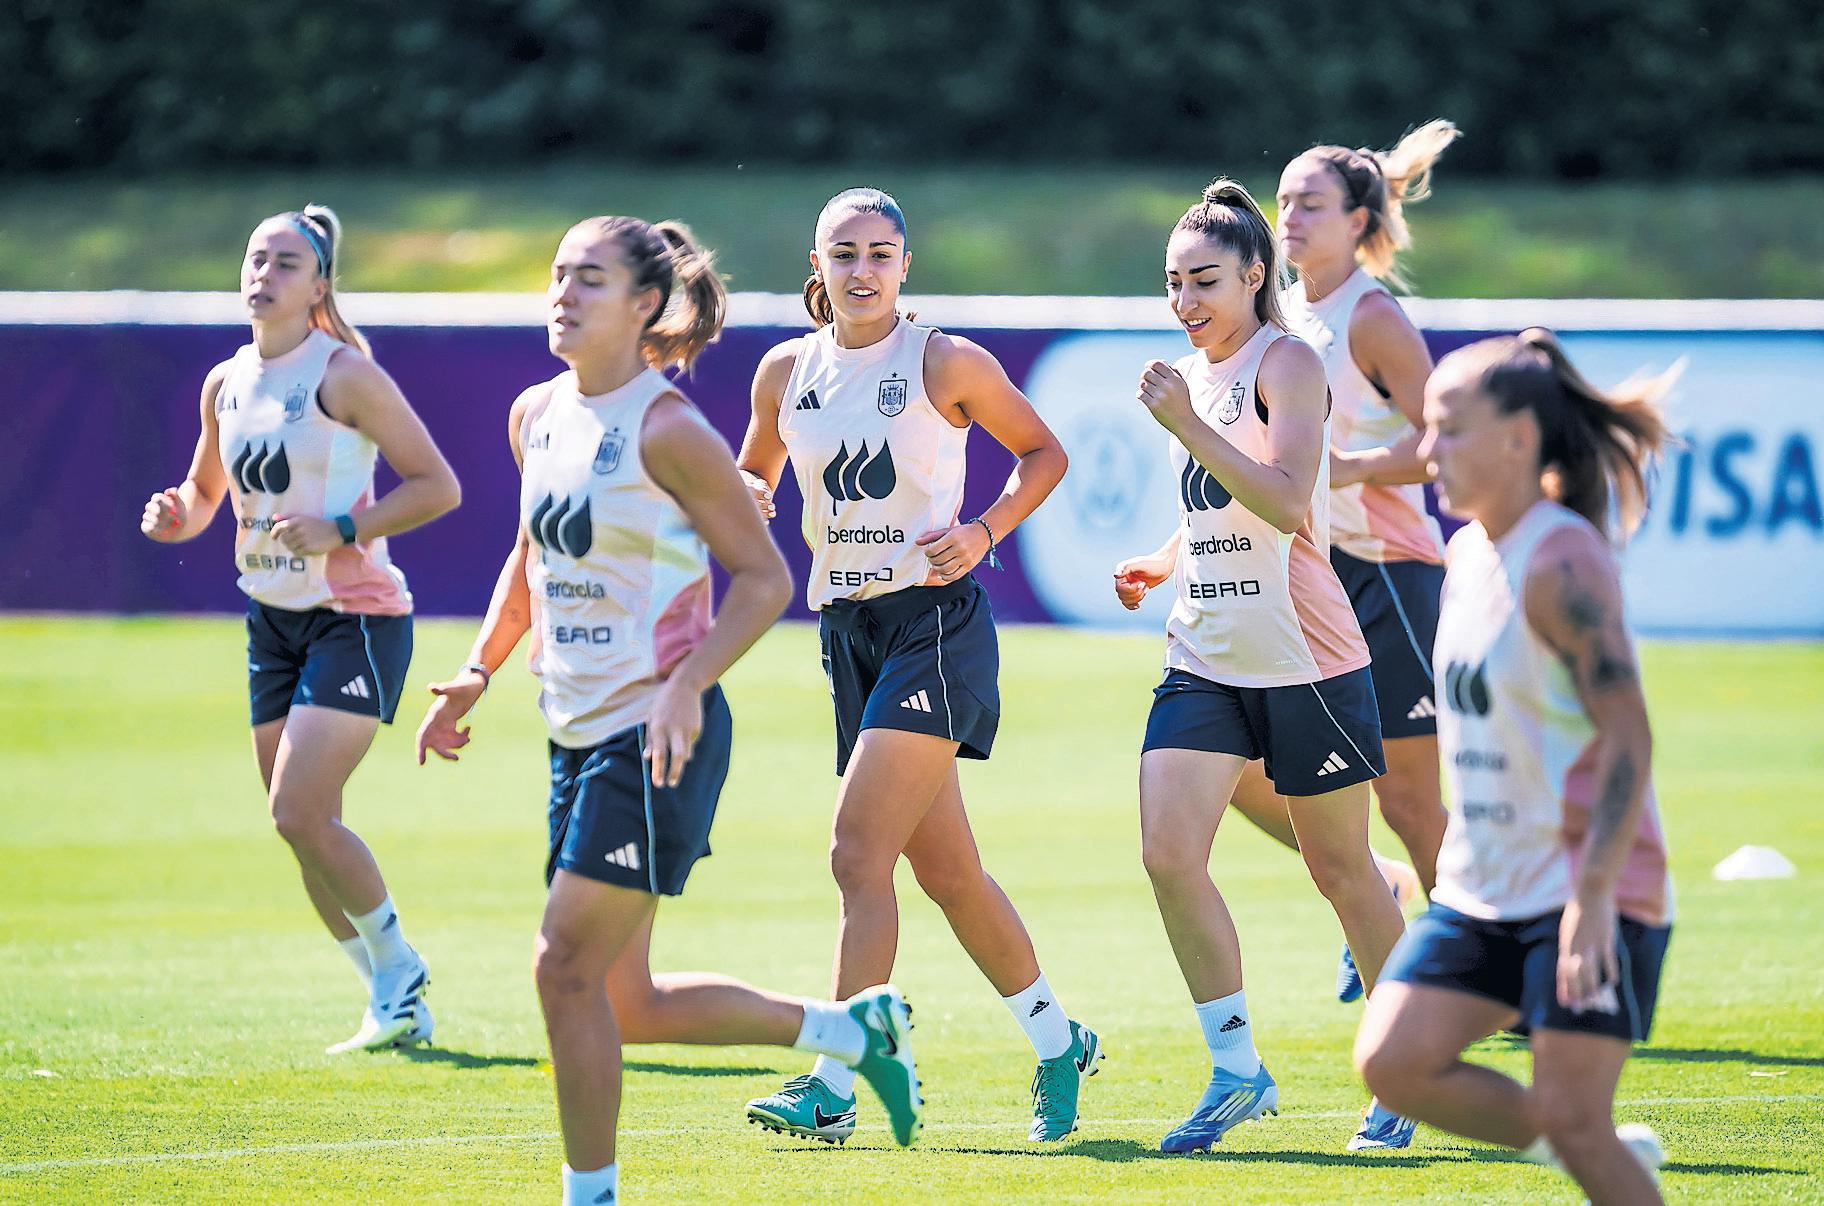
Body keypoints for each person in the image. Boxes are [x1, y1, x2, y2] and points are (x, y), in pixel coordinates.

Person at [415, 215, 922, 1206]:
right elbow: (530, 559)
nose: (563, 293)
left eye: (589, 279)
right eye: (558, 274)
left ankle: (590, 1195)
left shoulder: (668, 429)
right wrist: (478, 670)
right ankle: (849, 1032)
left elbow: (764, 580)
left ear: (645, 303)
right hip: (573, 735)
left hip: (654, 737)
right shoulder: (535, 415)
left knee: (561, 966)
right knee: (623, 1001)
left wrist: (688, 682)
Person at [734, 187, 1097, 1144]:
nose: (862, 270)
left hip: (935, 624)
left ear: (906, 265)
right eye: (844, 253)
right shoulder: (785, 370)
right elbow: (754, 473)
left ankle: (837, 1084)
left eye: (881, 253)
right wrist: (729, 497)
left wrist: (985, 531)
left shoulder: (945, 360)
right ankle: (1061, 1043)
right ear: (817, 266)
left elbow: (1044, 453)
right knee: (950, 875)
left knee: (857, 853)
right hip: (846, 632)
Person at [1115, 179, 1407, 1154]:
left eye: (1203, 281)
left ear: (1255, 275)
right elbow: (1218, 507)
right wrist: (1164, 559)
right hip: (1205, 650)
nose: (1186, 301)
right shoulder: (1194, 377)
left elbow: (1287, 500)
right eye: (1172, 284)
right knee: (1167, 853)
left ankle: (1406, 1068)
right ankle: (1237, 1070)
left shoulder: (1289, 362)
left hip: (1305, 658)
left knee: (1343, 870)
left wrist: (1186, 427)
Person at [1355, 328, 1675, 1203]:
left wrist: (1596, 900)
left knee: (1577, 1121)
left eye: (1448, 432)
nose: (1427, 454)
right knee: (1391, 1064)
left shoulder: (1564, 558)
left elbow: (1629, 737)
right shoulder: (1464, 554)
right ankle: (1583, 1142)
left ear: (1519, 439)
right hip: (1480, 889)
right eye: (1424, 430)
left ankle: (1586, 1142)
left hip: (1583, 891)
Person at [141, 205, 459, 1054]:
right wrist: (179, 512)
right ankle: (391, 1000)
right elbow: (207, 495)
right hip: (271, 624)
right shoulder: (226, 381)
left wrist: (343, 531)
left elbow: (437, 485)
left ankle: (400, 966)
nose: (264, 274)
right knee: (301, 830)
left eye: (286, 263)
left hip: (353, 619)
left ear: (320, 286)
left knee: (297, 811)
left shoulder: (344, 374)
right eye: (256, 258)